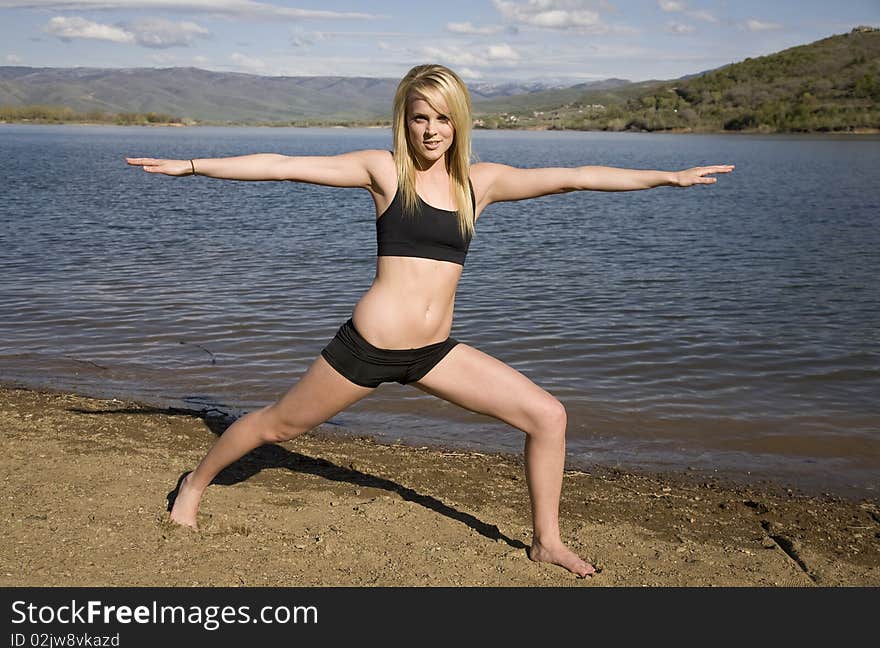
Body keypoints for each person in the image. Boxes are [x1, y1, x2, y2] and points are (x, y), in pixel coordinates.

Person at [126, 63, 734, 578]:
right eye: (421, 117)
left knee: (548, 415)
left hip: (433, 351)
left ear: (458, 121)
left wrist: (668, 178)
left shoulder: (481, 183)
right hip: (368, 347)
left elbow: (578, 177)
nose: (432, 129)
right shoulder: (383, 170)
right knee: (277, 428)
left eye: (443, 117)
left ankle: (546, 540)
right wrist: (193, 165)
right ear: (405, 120)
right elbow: (284, 163)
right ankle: (195, 485)